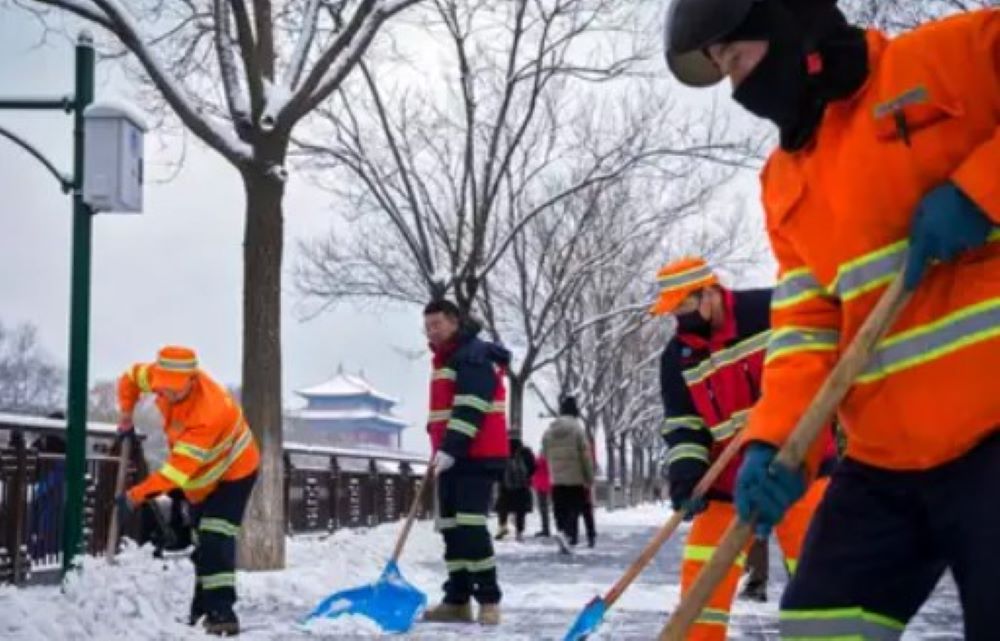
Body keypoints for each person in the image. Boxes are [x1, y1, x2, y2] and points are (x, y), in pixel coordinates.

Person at [664, 3, 1000, 638]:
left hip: (991, 430)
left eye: (737, 60)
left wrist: (984, 189)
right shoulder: (786, 180)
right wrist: (773, 441)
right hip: (884, 462)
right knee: (822, 624)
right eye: (724, 70)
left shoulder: (947, 60)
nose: (738, 88)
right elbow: (805, 326)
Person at [652, 257, 835, 640]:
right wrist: (686, 473)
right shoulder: (677, 358)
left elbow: (814, 366)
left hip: (799, 466)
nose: (679, 320)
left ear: (710, 293)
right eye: (673, 311)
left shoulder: (770, 312)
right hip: (726, 483)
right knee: (700, 589)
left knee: (825, 582)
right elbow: (684, 425)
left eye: (684, 307)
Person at [115, 346, 259, 636]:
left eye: (174, 391)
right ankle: (201, 609)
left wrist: (135, 495)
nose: (166, 395)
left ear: (192, 380)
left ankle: (222, 614)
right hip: (199, 478)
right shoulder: (156, 377)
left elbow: (175, 472)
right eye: (162, 389)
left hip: (234, 470)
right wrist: (127, 415)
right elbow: (128, 378)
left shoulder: (210, 411)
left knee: (216, 534)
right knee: (201, 542)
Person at [422, 300, 511, 626]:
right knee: (450, 527)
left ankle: (488, 599)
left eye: (438, 324)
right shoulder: (446, 358)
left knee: (470, 524)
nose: (432, 331)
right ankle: (457, 599)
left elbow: (471, 407)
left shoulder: (473, 355)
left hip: (476, 455)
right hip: (449, 457)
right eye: (428, 326)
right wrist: (440, 448)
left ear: (455, 322)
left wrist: (452, 448)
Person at [542, 396, 595, 554]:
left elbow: (544, 449)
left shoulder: (550, 429)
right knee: (575, 506)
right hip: (575, 476)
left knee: (560, 507)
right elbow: (585, 454)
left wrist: (554, 463)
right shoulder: (577, 428)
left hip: (556, 476)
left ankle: (561, 532)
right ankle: (566, 533)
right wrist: (589, 476)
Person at [495, 438, 536, 542]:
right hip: (522, 486)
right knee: (520, 510)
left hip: (505, 486)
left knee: (503, 508)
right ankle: (519, 532)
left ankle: (502, 528)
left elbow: (497, 468)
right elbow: (533, 467)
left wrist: (500, 479)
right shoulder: (526, 453)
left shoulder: (502, 451)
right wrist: (527, 477)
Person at [530, 452, 552, 538]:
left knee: (543, 508)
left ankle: (546, 529)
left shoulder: (542, 458)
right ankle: (546, 529)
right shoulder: (544, 457)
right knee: (544, 508)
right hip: (544, 484)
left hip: (542, 485)